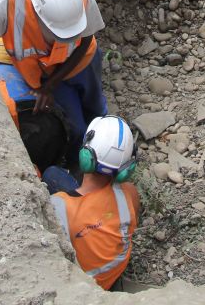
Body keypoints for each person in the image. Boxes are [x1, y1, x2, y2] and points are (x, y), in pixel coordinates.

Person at [0, 0, 107, 118]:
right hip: (40, 74)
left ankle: (100, 119)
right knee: (71, 121)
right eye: (62, 33)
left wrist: (50, 85)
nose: (69, 38)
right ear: (37, 13)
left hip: (82, 60)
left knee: (95, 102)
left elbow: (86, 40)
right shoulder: (4, 3)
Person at [48, 116, 140, 291]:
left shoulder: (59, 205)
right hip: (111, 277)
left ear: (85, 154)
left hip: (84, 287)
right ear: (126, 168)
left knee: (51, 174)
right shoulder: (129, 193)